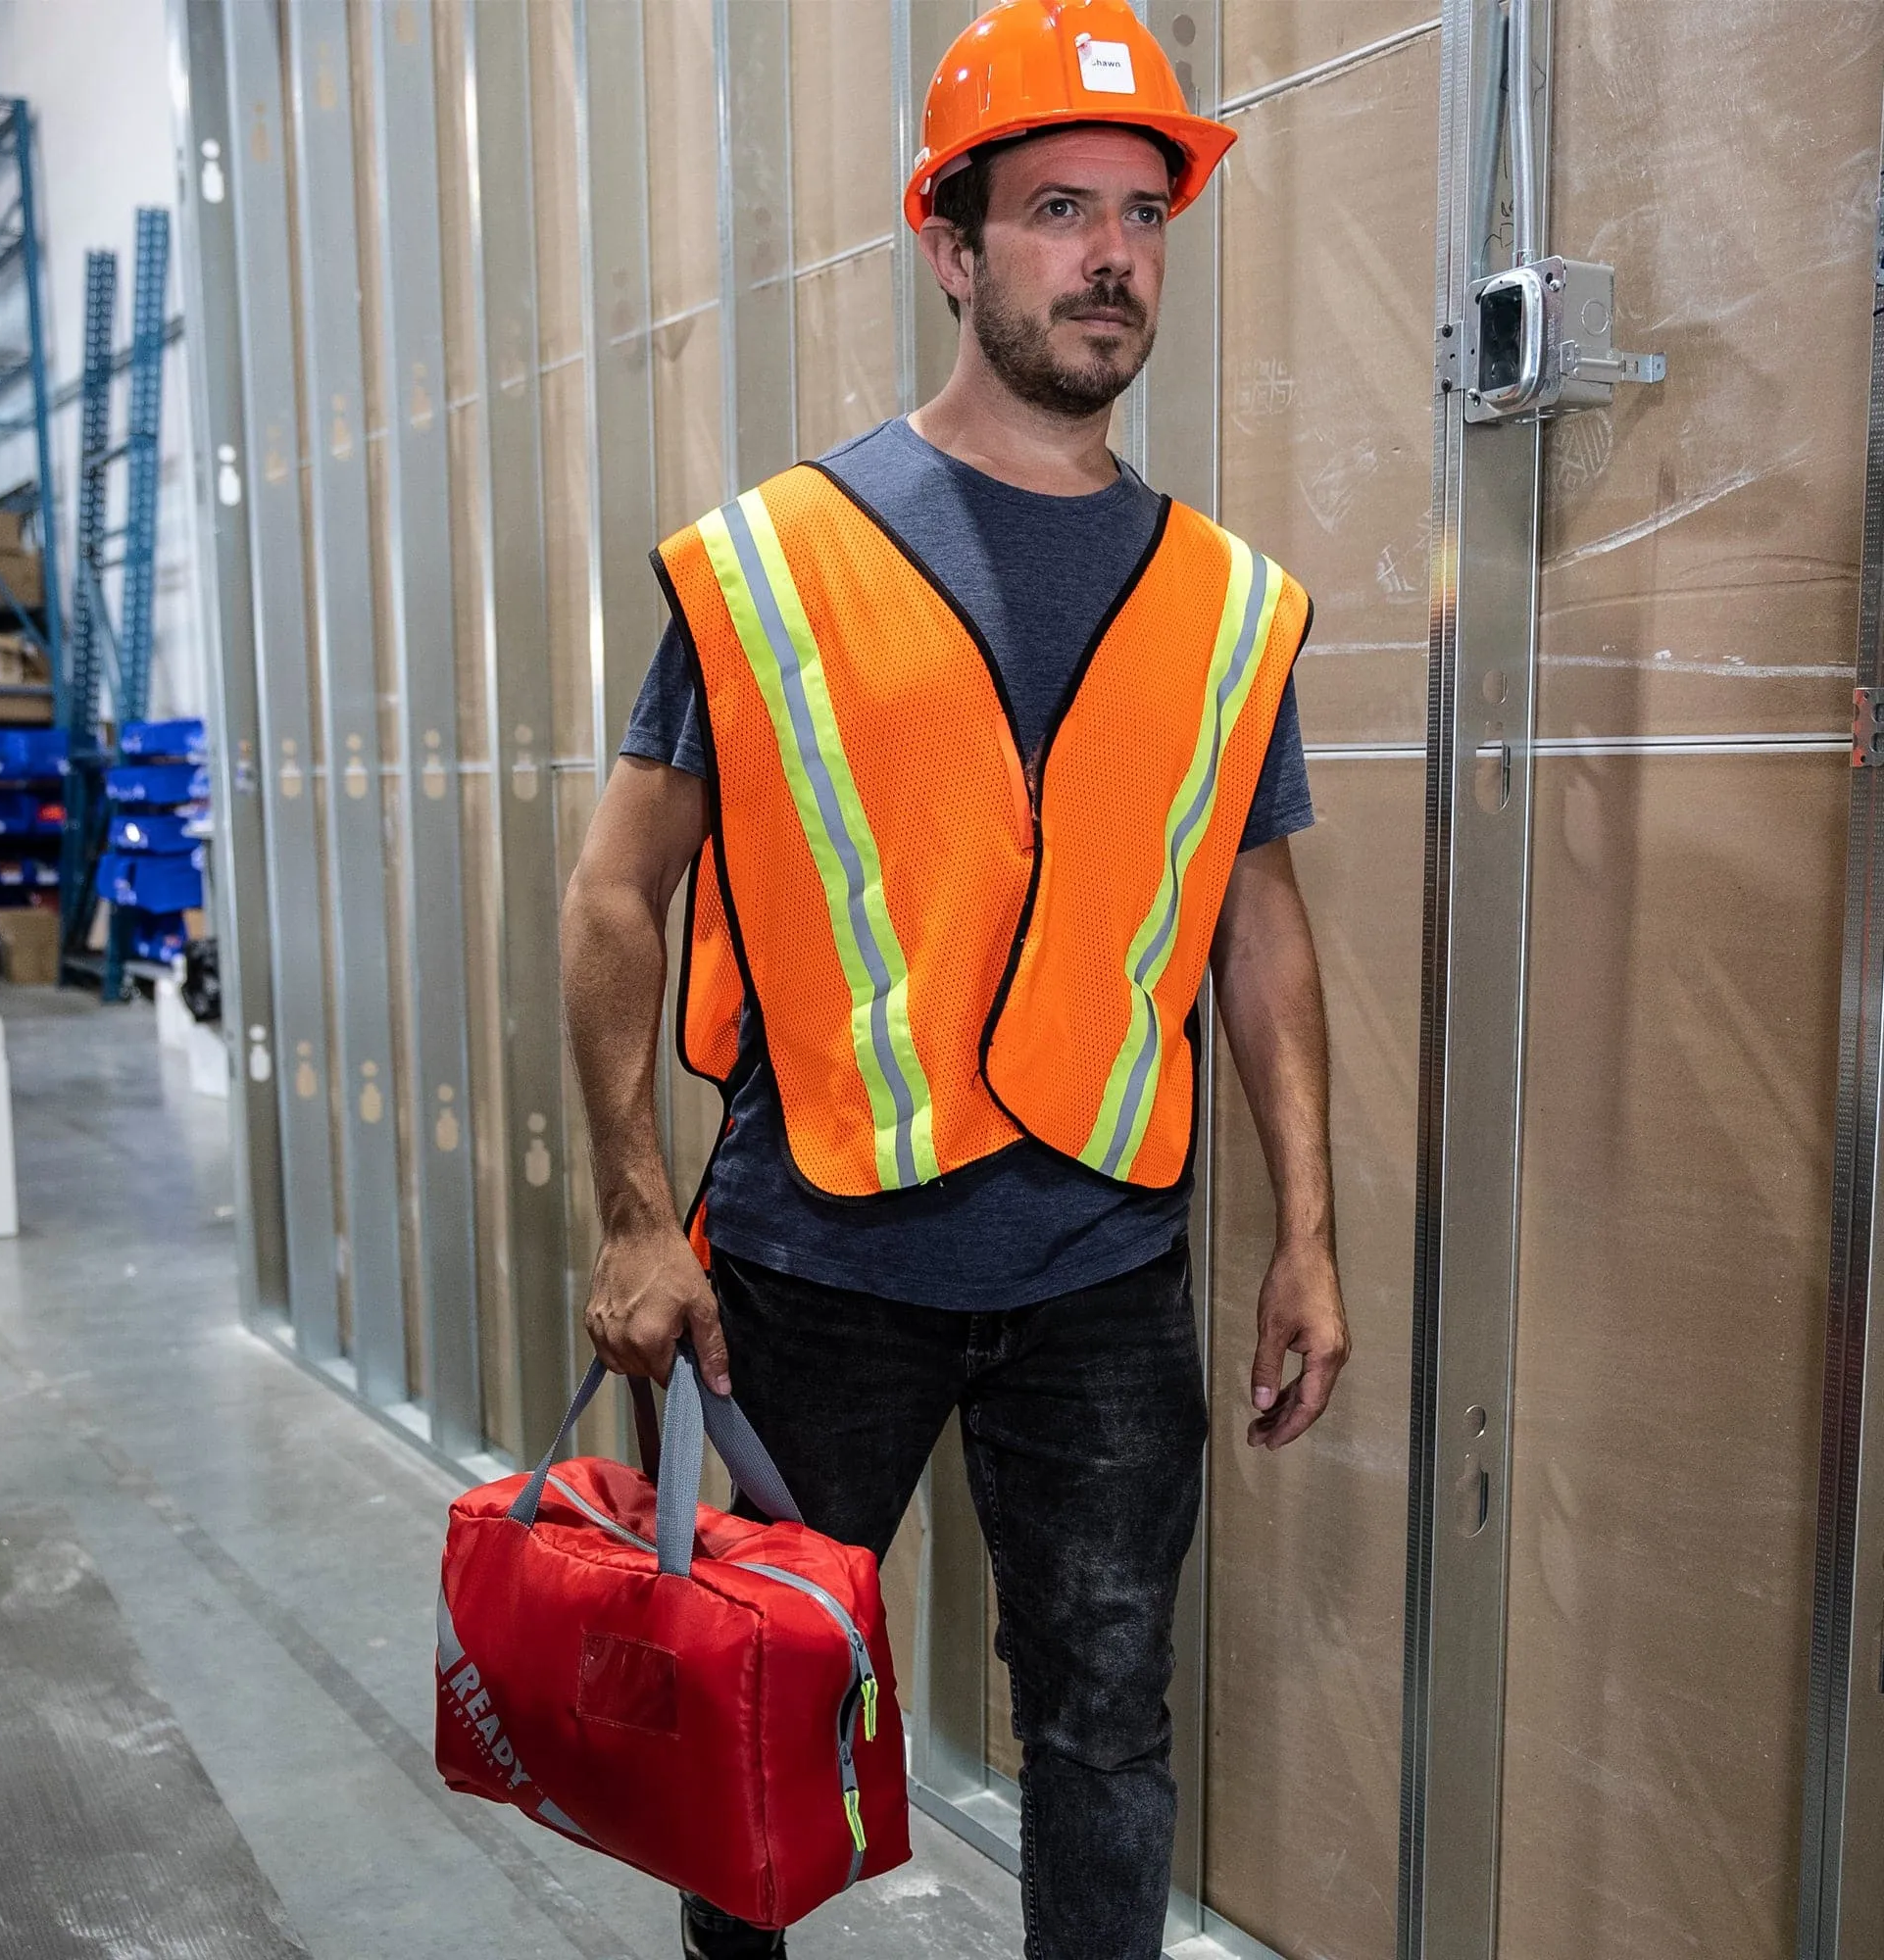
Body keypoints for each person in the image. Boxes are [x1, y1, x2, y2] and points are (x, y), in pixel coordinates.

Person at [561, 3, 1351, 1954]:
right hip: (813, 1270)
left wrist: (1309, 1230)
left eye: (1142, 215)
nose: (1109, 253)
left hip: (1097, 1272)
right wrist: (637, 1216)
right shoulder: (779, 565)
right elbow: (609, 899)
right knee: (746, 1702)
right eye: (1057, 207)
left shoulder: (1222, 602)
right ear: (949, 241)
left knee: (1104, 1738)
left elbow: (1254, 923)